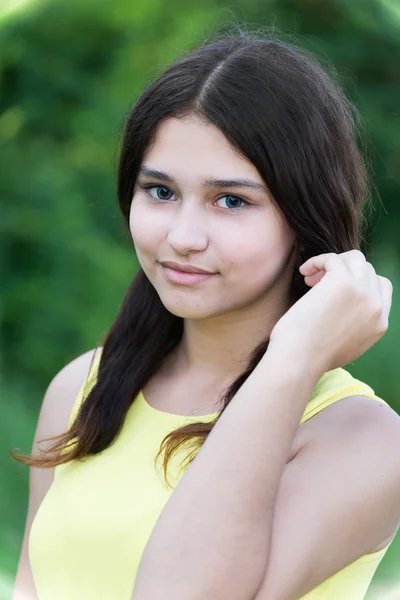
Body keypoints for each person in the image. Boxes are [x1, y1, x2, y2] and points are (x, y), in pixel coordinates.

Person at [12, 26, 400, 600]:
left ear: (305, 215)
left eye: (231, 200)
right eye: (161, 192)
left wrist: (294, 358)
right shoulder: (83, 387)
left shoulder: (365, 441)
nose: (182, 236)